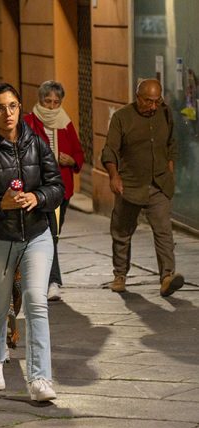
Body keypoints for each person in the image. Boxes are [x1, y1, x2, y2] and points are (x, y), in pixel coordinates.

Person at [0, 82, 64, 402]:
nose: (8, 113)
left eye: (13, 106)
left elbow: (56, 186)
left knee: (36, 301)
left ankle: (40, 378)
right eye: (1, 108)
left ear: (21, 108)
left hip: (36, 235)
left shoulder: (38, 144)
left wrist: (38, 196)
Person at [101, 78, 184, 297]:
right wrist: (114, 176)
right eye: (148, 101)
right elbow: (110, 150)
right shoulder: (122, 117)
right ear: (138, 97)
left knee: (164, 230)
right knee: (122, 231)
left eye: (157, 101)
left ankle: (167, 277)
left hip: (159, 183)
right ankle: (120, 275)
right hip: (130, 184)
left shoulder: (165, 113)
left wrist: (170, 167)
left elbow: (171, 143)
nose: (153, 106)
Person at [24, 80, 85, 301]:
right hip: (38, 189)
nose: (51, 106)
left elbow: (79, 153)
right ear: (40, 101)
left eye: (55, 102)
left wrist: (71, 160)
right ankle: (52, 281)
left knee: (53, 234)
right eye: (47, 101)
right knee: (47, 234)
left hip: (61, 189)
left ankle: (45, 278)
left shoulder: (65, 123)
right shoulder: (29, 122)